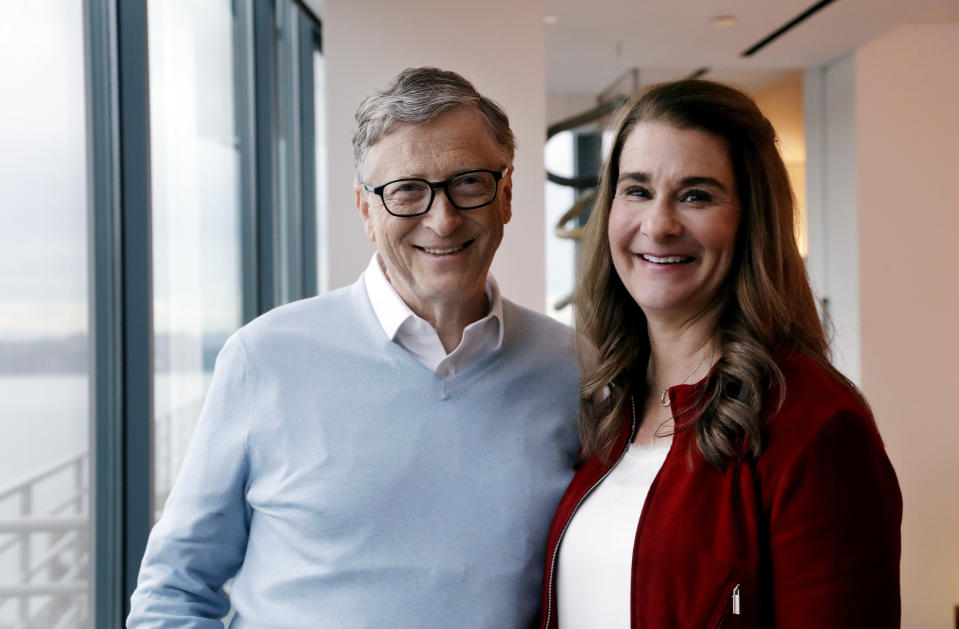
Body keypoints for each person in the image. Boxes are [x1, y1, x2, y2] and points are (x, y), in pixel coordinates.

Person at [128, 67, 581, 628]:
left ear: (506, 195)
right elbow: (174, 589)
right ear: (366, 209)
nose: (442, 220)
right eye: (407, 190)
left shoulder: (574, 367)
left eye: (468, 182)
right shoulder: (264, 357)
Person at [539, 80, 902, 628]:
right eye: (637, 190)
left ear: (751, 222)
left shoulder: (816, 428)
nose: (658, 225)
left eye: (696, 195)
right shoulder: (604, 407)